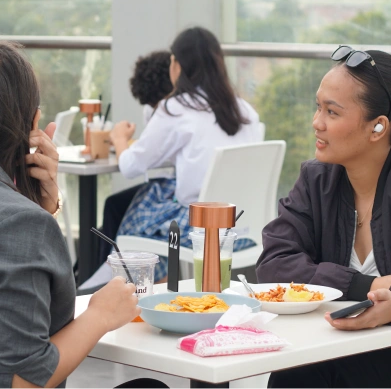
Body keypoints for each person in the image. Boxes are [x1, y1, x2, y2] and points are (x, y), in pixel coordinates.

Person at [0, 40, 170, 389]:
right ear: (33, 123)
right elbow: (22, 381)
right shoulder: (19, 224)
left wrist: (39, 206)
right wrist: (100, 315)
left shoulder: (16, 217)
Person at [256, 45, 391, 389]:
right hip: (329, 349)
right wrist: (365, 287)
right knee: (299, 373)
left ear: (377, 127)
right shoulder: (317, 180)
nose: (316, 123)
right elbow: (274, 264)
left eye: (332, 112)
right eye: (318, 107)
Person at [105, 26, 262, 284]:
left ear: (176, 65)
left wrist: (120, 139)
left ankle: (132, 287)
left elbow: (132, 166)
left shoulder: (176, 108)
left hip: (199, 228)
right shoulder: (244, 110)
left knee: (147, 202)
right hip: (243, 227)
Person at [98, 50, 174, 265]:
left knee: (114, 205)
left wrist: (119, 138)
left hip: (182, 202)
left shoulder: (172, 112)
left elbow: (131, 167)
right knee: (115, 205)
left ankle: (105, 273)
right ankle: (100, 271)